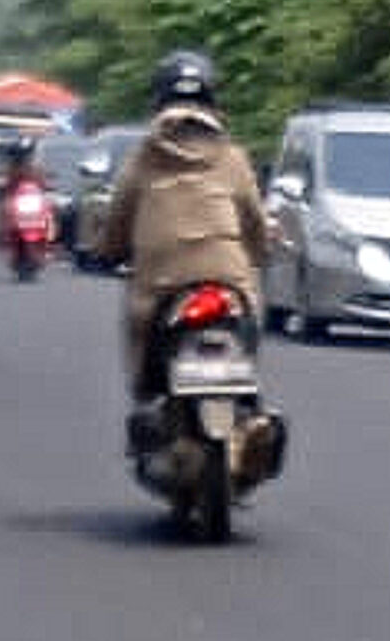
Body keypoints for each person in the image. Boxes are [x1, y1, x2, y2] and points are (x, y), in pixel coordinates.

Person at [94, 49, 270, 403]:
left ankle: (148, 403)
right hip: (228, 280)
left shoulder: (143, 159)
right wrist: (259, 254)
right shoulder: (232, 158)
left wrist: (108, 252)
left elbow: (118, 223)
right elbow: (254, 222)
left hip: (161, 285)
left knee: (142, 348)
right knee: (250, 323)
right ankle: (247, 399)